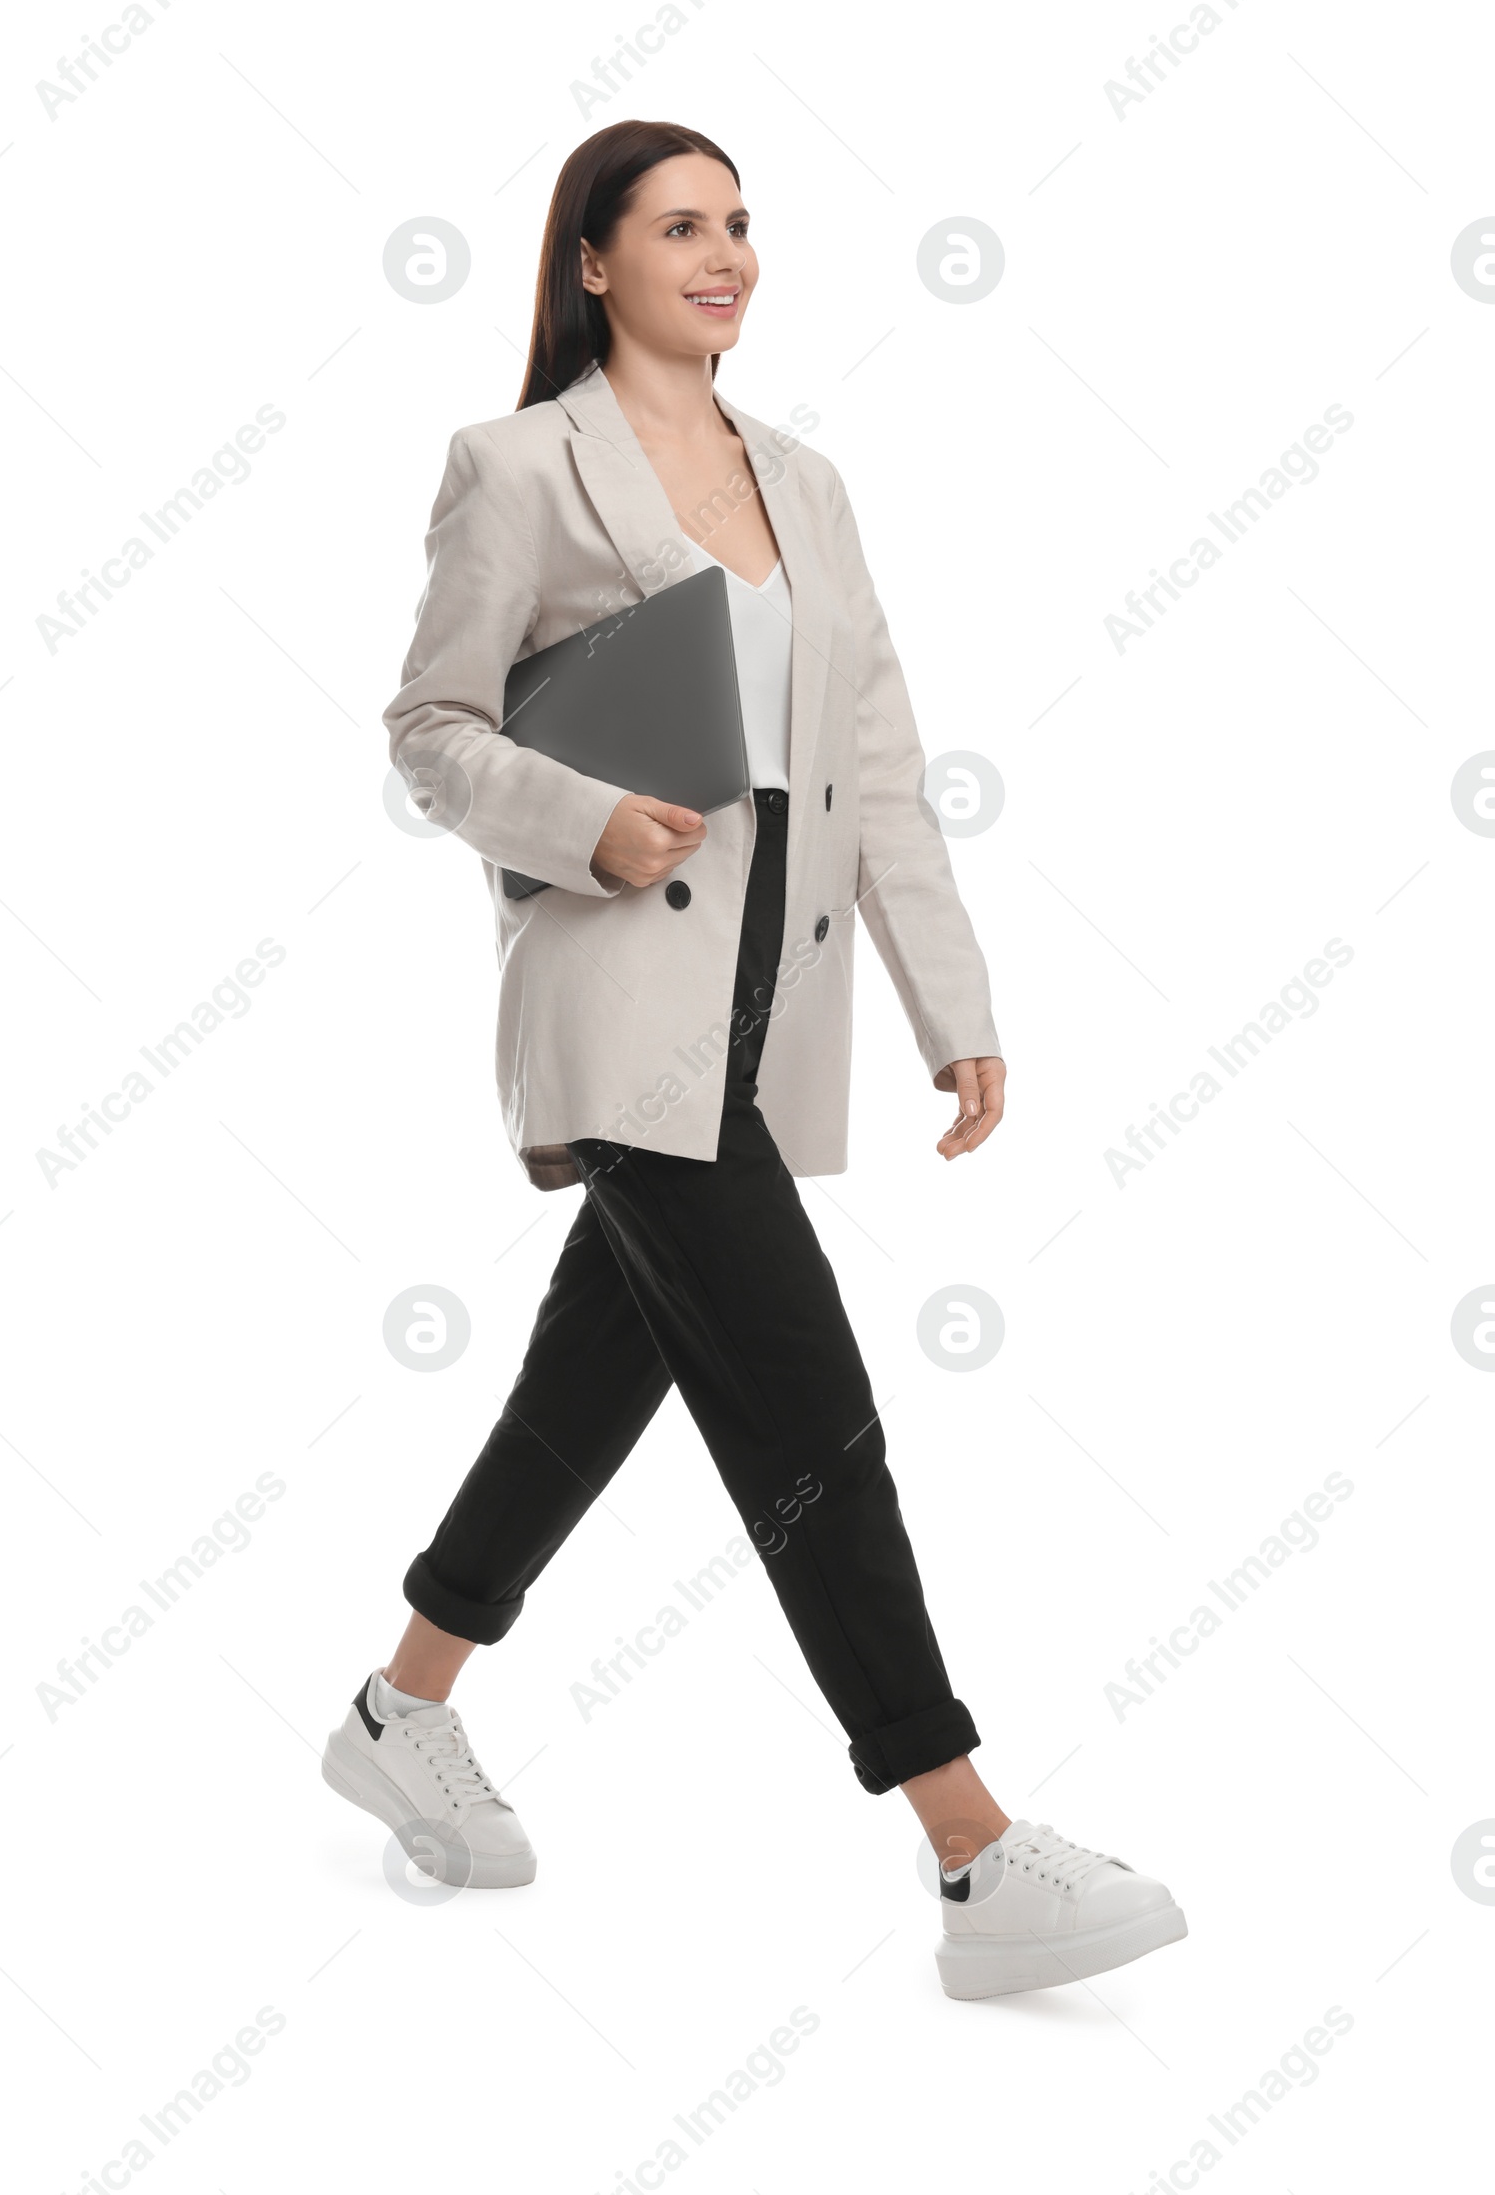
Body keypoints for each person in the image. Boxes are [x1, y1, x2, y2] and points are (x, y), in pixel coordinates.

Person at [323, 119, 1186, 2000]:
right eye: (682, 227)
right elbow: (431, 722)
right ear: (594, 266)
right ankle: (969, 1843)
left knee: (585, 1394)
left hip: (770, 1014)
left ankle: (402, 1706)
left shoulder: (806, 478)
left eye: (742, 225)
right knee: (809, 1411)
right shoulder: (516, 466)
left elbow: (875, 764)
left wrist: (953, 1005)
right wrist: (583, 815)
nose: (727, 255)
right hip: (619, 999)